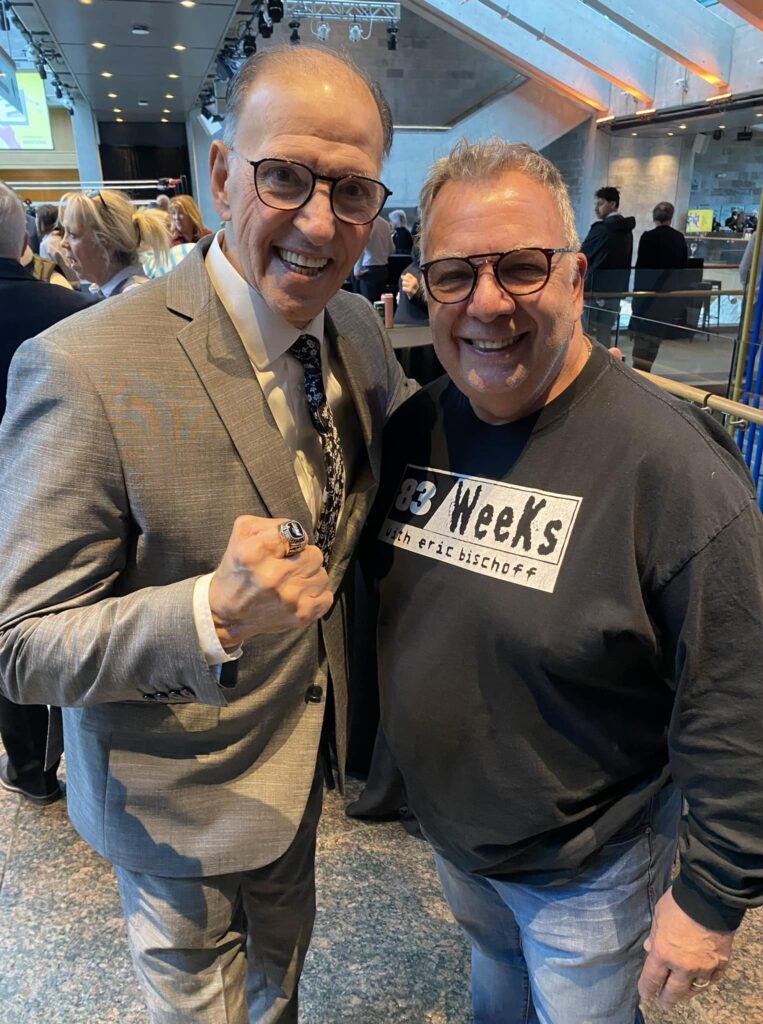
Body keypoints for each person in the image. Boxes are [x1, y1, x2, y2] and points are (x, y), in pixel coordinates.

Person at [0, 46, 411, 1024]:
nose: (319, 221)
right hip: (172, 802)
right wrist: (204, 615)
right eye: (286, 177)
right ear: (224, 176)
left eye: (351, 190)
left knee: (280, 988)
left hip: (303, 772)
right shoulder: (82, 365)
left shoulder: (354, 331)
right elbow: (20, 643)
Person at [362, 138, 763, 1024]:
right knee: (497, 986)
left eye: (520, 268)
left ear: (578, 279)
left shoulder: (671, 468)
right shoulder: (419, 428)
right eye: (454, 276)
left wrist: (711, 896)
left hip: (590, 872)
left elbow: (742, 699)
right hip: (460, 842)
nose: (488, 304)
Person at [0, 182, 91, 806]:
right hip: (50, 498)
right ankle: (71, 756)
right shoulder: (69, 311)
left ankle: (27, 761)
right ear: (24, 236)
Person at [58, 189, 166, 297]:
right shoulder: (114, 294)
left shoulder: (133, 298)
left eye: (72, 235)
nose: (63, 243)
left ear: (106, 243)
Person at [628, 201, 689, 372]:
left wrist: (637, 299)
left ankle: (639, 374)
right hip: (667, 299)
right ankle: (646, 371)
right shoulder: (679, 238)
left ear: (654, 216)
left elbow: (642, 271)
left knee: (642, 341)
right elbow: (683, 270)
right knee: (654, 341)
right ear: (671, 217)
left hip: (648, 298)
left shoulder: (648, 237)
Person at [580, 185, 635, 347]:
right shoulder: (627, 230)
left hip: (593, 291)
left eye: (601, 203)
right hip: (614, 291)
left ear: (613, 204)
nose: (596, 208)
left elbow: (583, 255)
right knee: (605, 334)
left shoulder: (602, 229)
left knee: (585, 335)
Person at [353, 212, 394, 302]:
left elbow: (361, 247)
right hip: (383, 269)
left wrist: (356, 269)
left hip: (368, 270)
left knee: (368, 305)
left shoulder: (366, 223)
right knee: (381, 305)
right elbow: (392, 249)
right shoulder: (386, 224)